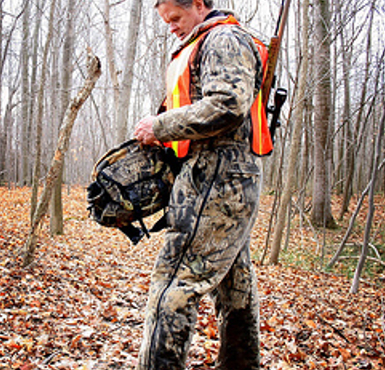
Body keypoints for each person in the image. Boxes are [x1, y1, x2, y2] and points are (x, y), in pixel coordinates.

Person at [132, 0, 265, 369]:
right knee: (234, 285)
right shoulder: (207, 40)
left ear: (199, 4)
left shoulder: (223, 37)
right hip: (223, 178)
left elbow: (227, 104)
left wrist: (159, 127)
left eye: (175, 17)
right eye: (165, 21)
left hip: (217, 178)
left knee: (173, 284)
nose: (171, 27)